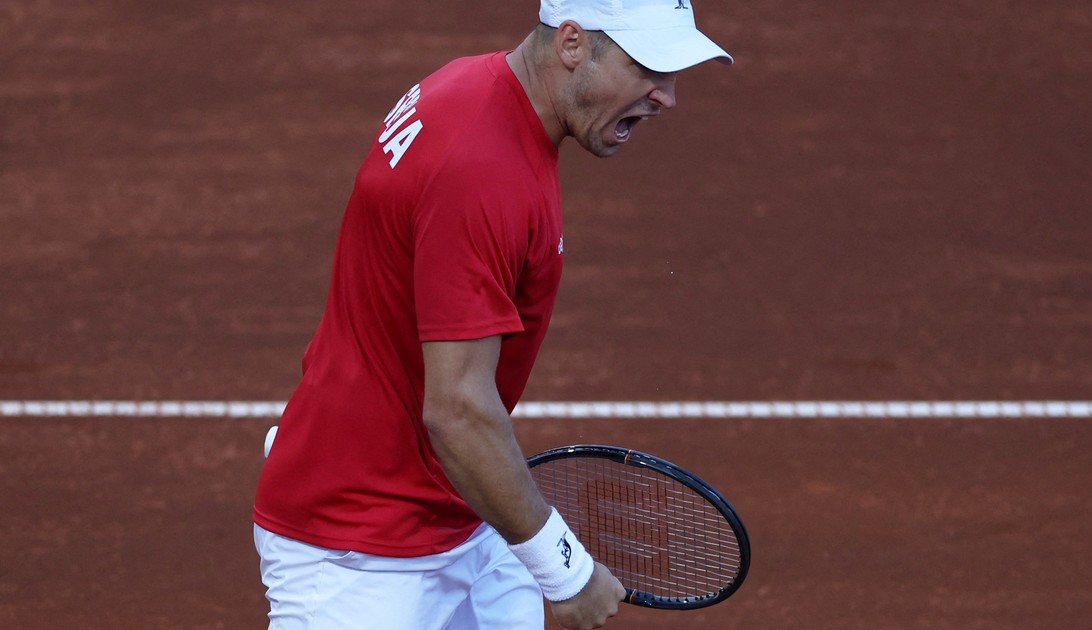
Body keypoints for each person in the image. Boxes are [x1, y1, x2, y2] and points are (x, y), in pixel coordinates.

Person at [251, 1, 732, 628]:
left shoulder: (474, 87)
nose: (666, 95)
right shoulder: (482, 169)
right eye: (647, 68)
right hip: (361, 546)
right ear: (571, 43)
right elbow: (456, 411)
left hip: (457, 511)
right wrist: (566, 572)